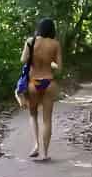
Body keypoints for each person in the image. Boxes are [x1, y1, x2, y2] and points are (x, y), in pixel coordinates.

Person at [20, 18, 62, 160]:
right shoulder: (55, 44)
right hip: (48, 82)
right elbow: (59, 66)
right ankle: (44, 154)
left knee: (33, 115)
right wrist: (50, 63)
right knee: (47, 120)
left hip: (33, 82)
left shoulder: (30, 41)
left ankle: (36, 145)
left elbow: (23, 60)